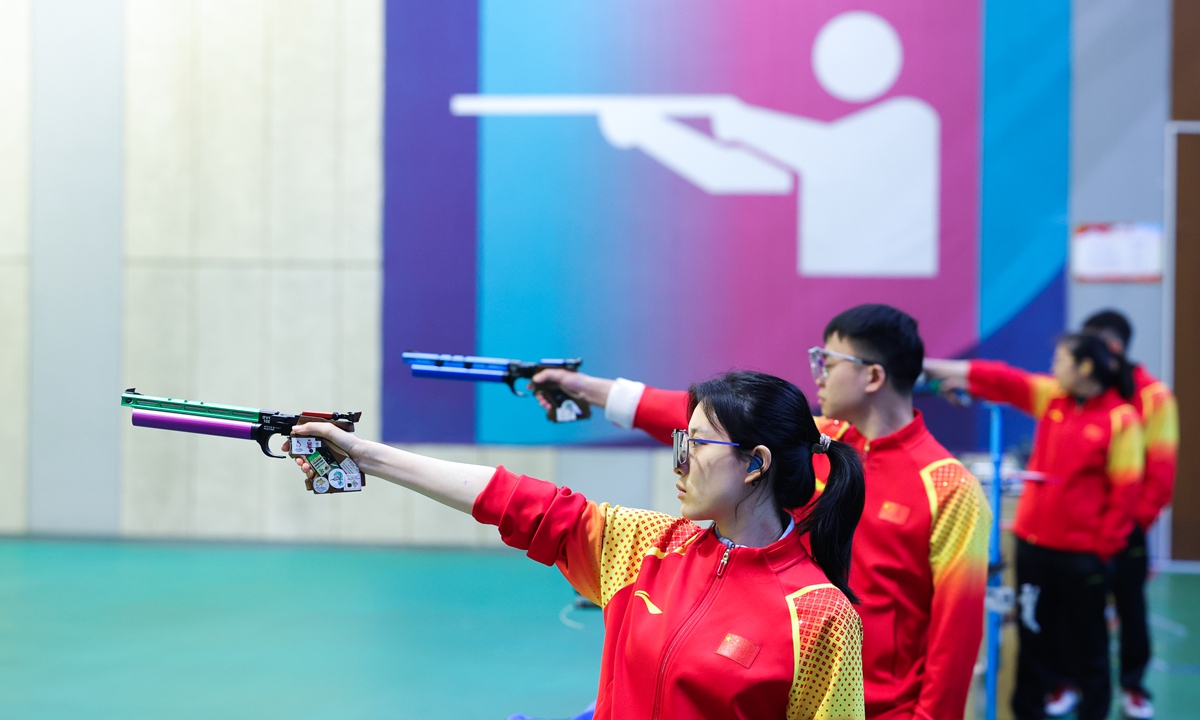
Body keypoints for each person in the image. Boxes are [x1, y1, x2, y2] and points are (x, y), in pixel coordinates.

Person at [289, 371, 867, 720]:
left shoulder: (820, 615)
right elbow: (514, 500)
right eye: (680, 441)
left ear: (755, 464)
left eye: (696, 444)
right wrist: (367, 456)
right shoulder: (646, 546)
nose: (679, 461)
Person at [533, 304, 991, 720]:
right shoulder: (816, 442)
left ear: (872, 376)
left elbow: (956, 639)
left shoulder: (950, 487)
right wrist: (587, 388)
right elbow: (696, 420)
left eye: (829, 362)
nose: (818, 374)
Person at [924, 333, 1145, 720]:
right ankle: (1028, 712)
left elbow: (1126, 493)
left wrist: (1102, 549)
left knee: (1090, 644)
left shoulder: (1121, 419)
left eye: (1059, 360)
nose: (1052, 367)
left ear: (1085, 367)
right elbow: (1001, 380)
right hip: (1033, 547)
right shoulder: (1053, 397)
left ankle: (1093, 711)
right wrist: (929, 366)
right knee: (1033, 637)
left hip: (1083, 556)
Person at [1078, 310, 1176, 720]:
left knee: (1130, 609)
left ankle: (1133, 686)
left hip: (1128, 528)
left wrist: (1135, 524)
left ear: (1114, 347)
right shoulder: (1087, 390)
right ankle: (1079, 684)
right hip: (1085, 527)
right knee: (1082, 610)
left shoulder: (1154, 397)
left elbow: (1161, 470)